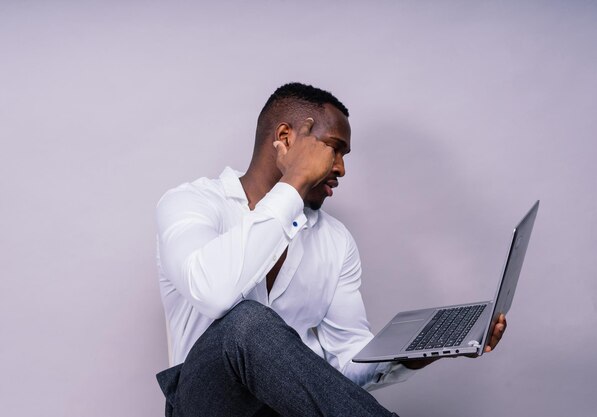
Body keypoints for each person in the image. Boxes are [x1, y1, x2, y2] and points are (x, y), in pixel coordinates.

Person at [155, 82, 507, 417]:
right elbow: (214, 292)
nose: (340, 168)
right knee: (246, 321)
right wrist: (294, 180)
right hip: (204, 403)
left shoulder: (335, 241)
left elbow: (345, 366)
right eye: (333, 148)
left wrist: (417, 353)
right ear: (285, 138)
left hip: (285, 408)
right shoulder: (191, 203)